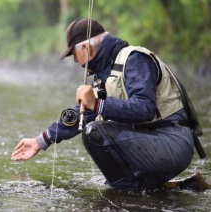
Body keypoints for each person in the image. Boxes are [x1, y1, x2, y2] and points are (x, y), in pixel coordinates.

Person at [11, 18, 208, 192]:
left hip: (173, 142)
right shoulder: (103, 75)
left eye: (74, 54)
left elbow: (144, 108)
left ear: (86, 48)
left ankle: (129, 191)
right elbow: (79, 116)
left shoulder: (134, 59)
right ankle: (150, 189)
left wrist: (97, 104)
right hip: (150, 141)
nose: (76, 61)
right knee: (93, 128)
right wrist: (41, 140)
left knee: (94, 132)